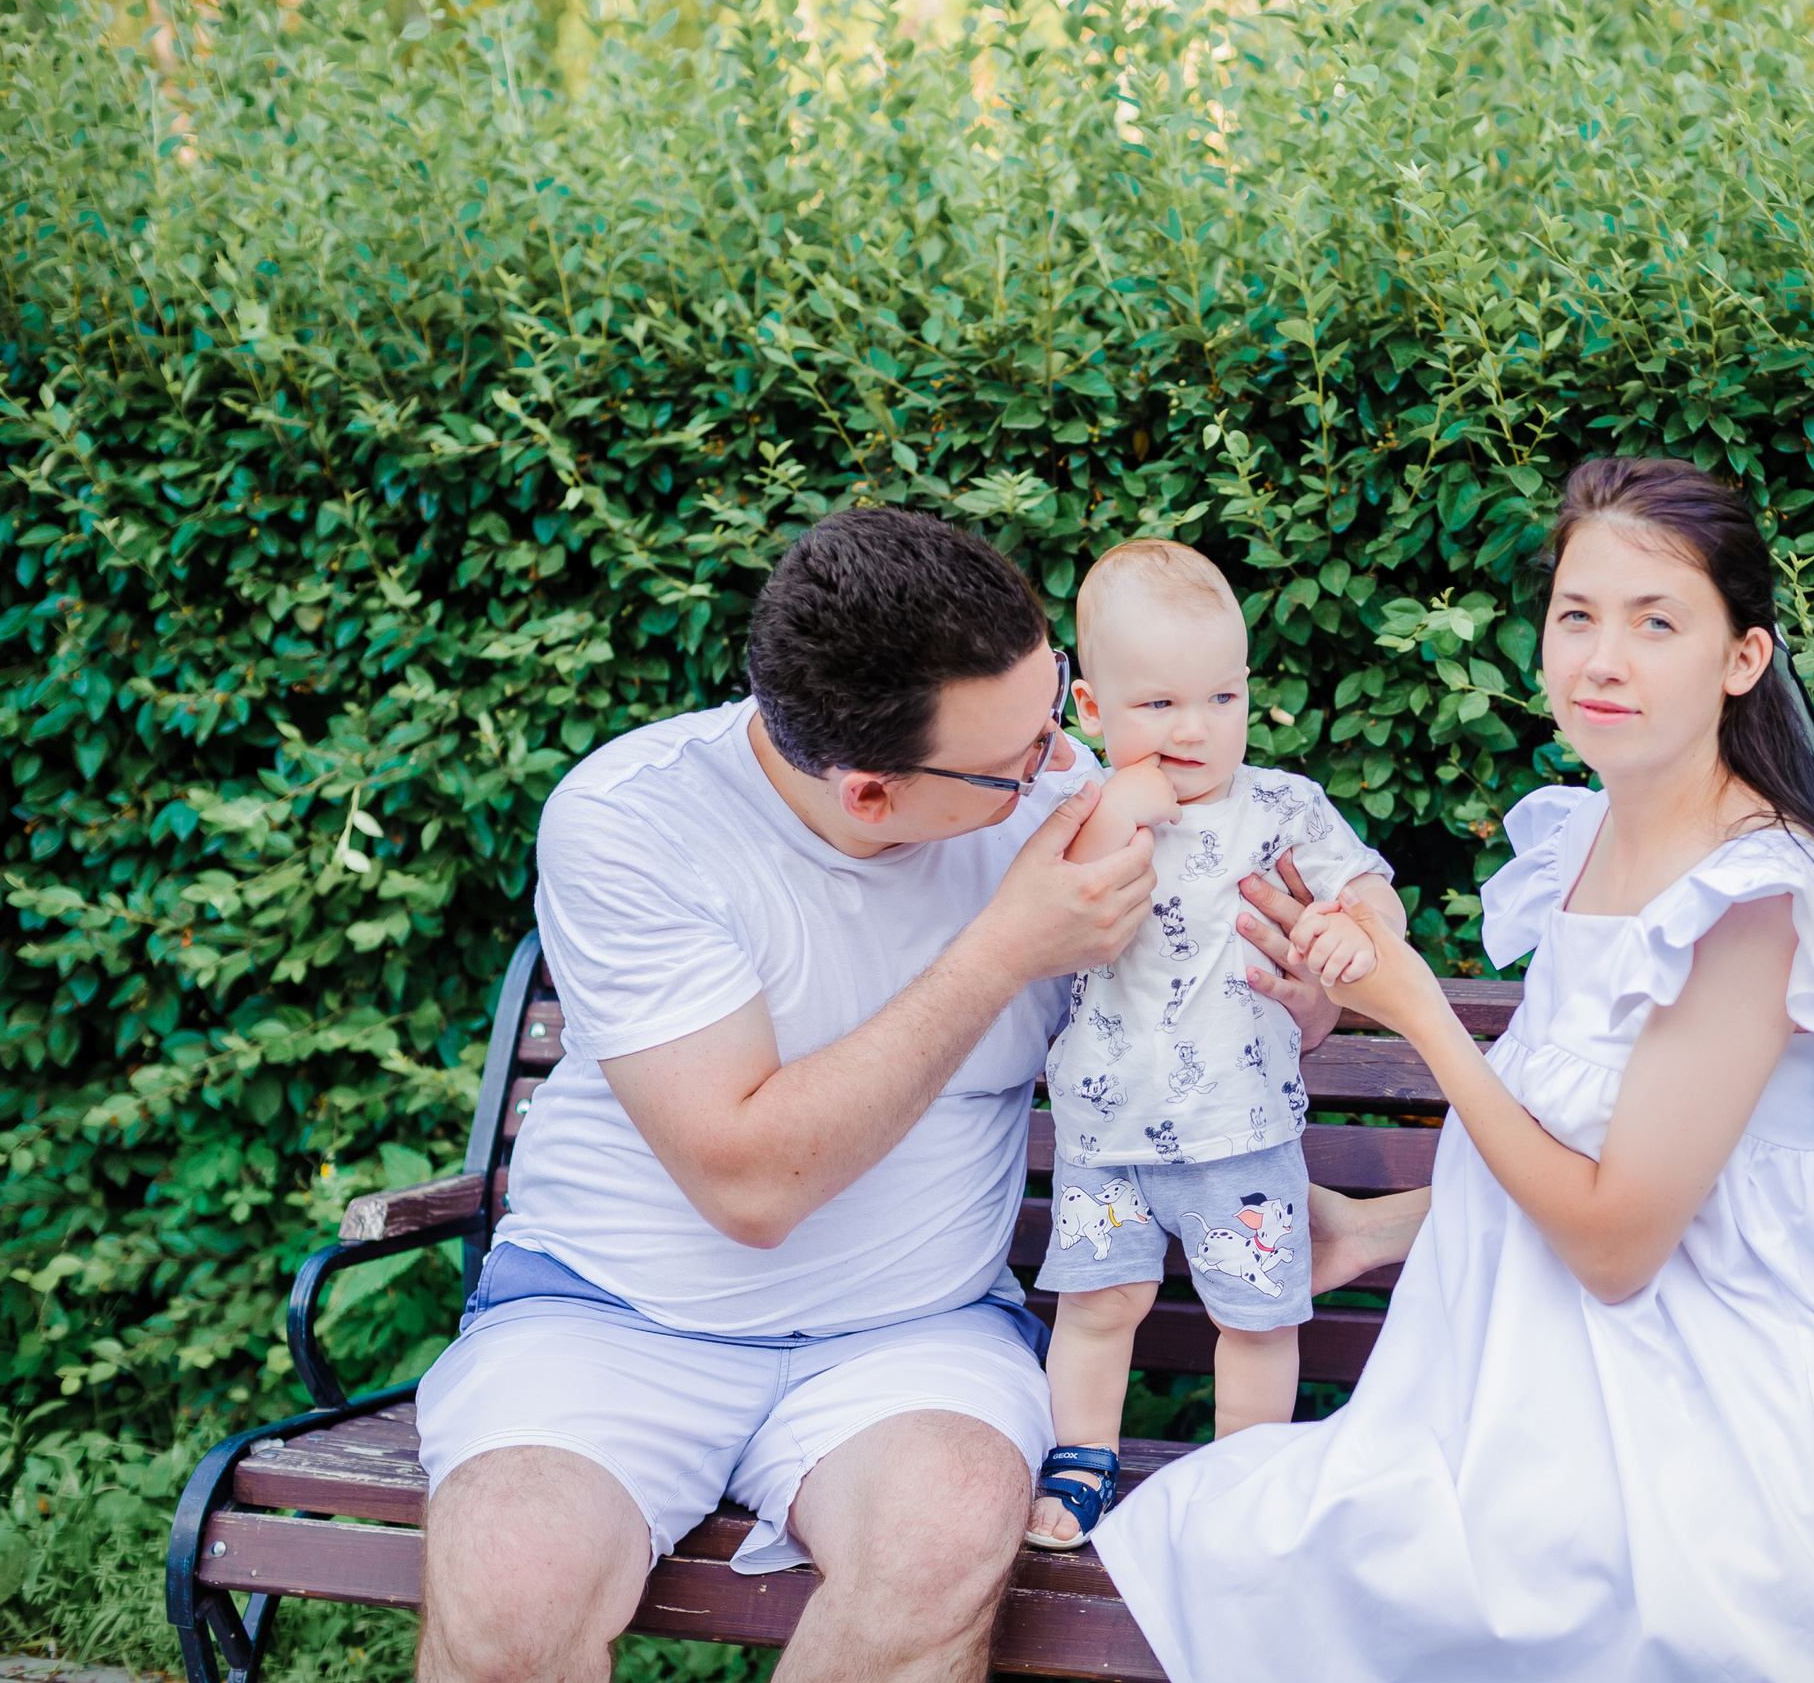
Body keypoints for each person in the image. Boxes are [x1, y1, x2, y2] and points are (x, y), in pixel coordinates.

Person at [408, 506, 1420, 1683]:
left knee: (941, 1536)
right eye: (1019, 761)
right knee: (510, 1596)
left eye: (1054, 715)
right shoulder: (636, 821)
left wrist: (1292, 1003)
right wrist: (1002, 948)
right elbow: (749, 1182)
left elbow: (1213, 1014)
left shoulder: (1071, 800)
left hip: (915, 1337)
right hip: (608, 1320)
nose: (1062, 764)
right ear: (871, 796)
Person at [1094, 458, 1814, 1682]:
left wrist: (1416, 1012)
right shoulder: (1592, 833)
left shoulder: (1750, 897)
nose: (1600, 660)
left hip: (1724, 1415)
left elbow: (1620, 1244)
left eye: (1656, 622)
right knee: (1251, 1545)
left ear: (1743, 658)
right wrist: (1377, 1231)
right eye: (1575, 616)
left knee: (1321, 1568)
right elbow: (1620, 1146)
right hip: (1538, 1371)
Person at [1021, 540, 1406, 1551]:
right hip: (1107, 1135)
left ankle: (1243, 1483)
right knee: (1100, 1303)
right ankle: (1080, 1462)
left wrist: (1360, 924)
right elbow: (1034, 907)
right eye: (1158, 706)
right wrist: (1116, 812)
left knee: (1258, 1318)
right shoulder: (1074, 816)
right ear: (1094, 712)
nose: (1195, 730)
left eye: (1221, 699)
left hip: (1240, 1131)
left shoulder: (1279, 809)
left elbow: (1364, 882)